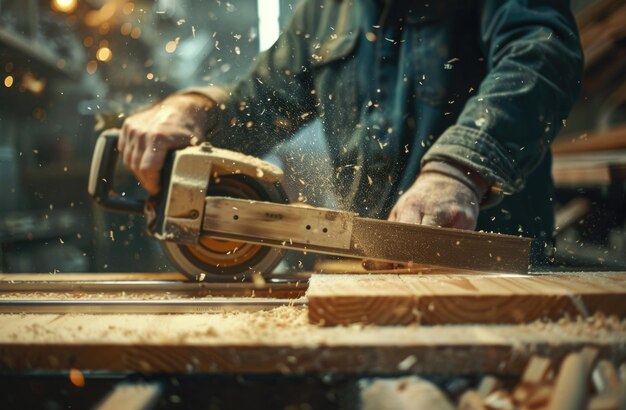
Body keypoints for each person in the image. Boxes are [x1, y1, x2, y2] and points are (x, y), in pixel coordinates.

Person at [118, 0, 583, 243]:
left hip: (491, 271)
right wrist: (190, 107)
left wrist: (459, 169)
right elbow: (254, 110)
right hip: (370, 269)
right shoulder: (326, 11)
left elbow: (541, 56)